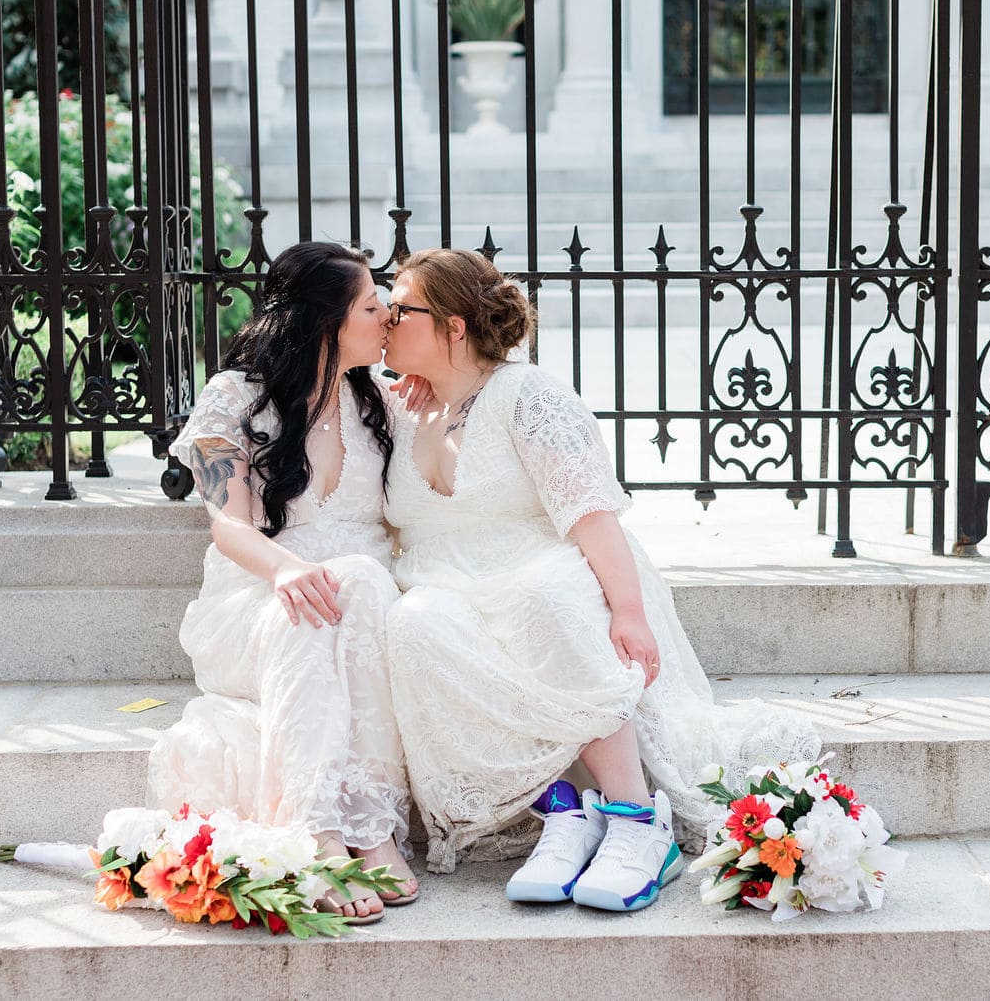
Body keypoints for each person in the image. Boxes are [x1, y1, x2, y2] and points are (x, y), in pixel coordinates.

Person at [380, 248, 819, 912]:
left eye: (400, 307)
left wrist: (629, 610)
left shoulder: (528, 394)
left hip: (543, 570)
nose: (386, 319)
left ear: (453, 325)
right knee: (414, 622)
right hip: (449, 588)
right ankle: (561, 809)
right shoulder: (396, 406)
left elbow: (590, 510)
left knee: (541, 594)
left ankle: (639, 819)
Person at [148, 241, 418, 924]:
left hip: (362, 597)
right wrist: (286, 569)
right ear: (325, 320)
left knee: (355, 581)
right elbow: (228, 525)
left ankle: (371, 822)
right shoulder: (229, 399)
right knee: (310, 602)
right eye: (370, 304)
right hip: (259, 590)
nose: (387, 314)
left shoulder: (381, 403)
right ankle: (316, 826)